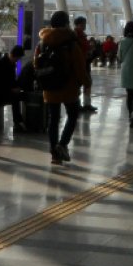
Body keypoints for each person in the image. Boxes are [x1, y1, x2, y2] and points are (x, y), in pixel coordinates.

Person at [34, 10, 89, 165]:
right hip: (68, 87)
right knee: (72, 115)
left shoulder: (42, 42)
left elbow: (36, 64)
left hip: (49, 88)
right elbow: (80, 67)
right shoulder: (71, 43)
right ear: (66, 24)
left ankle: (54, 154)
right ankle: (62, 144)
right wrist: (86, 83)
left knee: (53, 119)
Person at [0, 44, 27, 132]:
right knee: (15, 97)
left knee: (20, 95)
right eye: (18, 58)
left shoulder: (11, 64)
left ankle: (20, 122)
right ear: (15, 56)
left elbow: (11, 81)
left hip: (5, 91)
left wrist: (17, 87)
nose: (18, 61)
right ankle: (18, 122)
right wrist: (11, 89)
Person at [73, 16, 97, 113]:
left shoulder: (80, 34)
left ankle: (82, 104)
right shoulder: (77, 35)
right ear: (79, 24)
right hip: (81, 62)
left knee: (84, 83)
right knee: (84, 83)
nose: (85, 25)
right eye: (84, 23)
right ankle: (83, 104)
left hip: (84, 61)